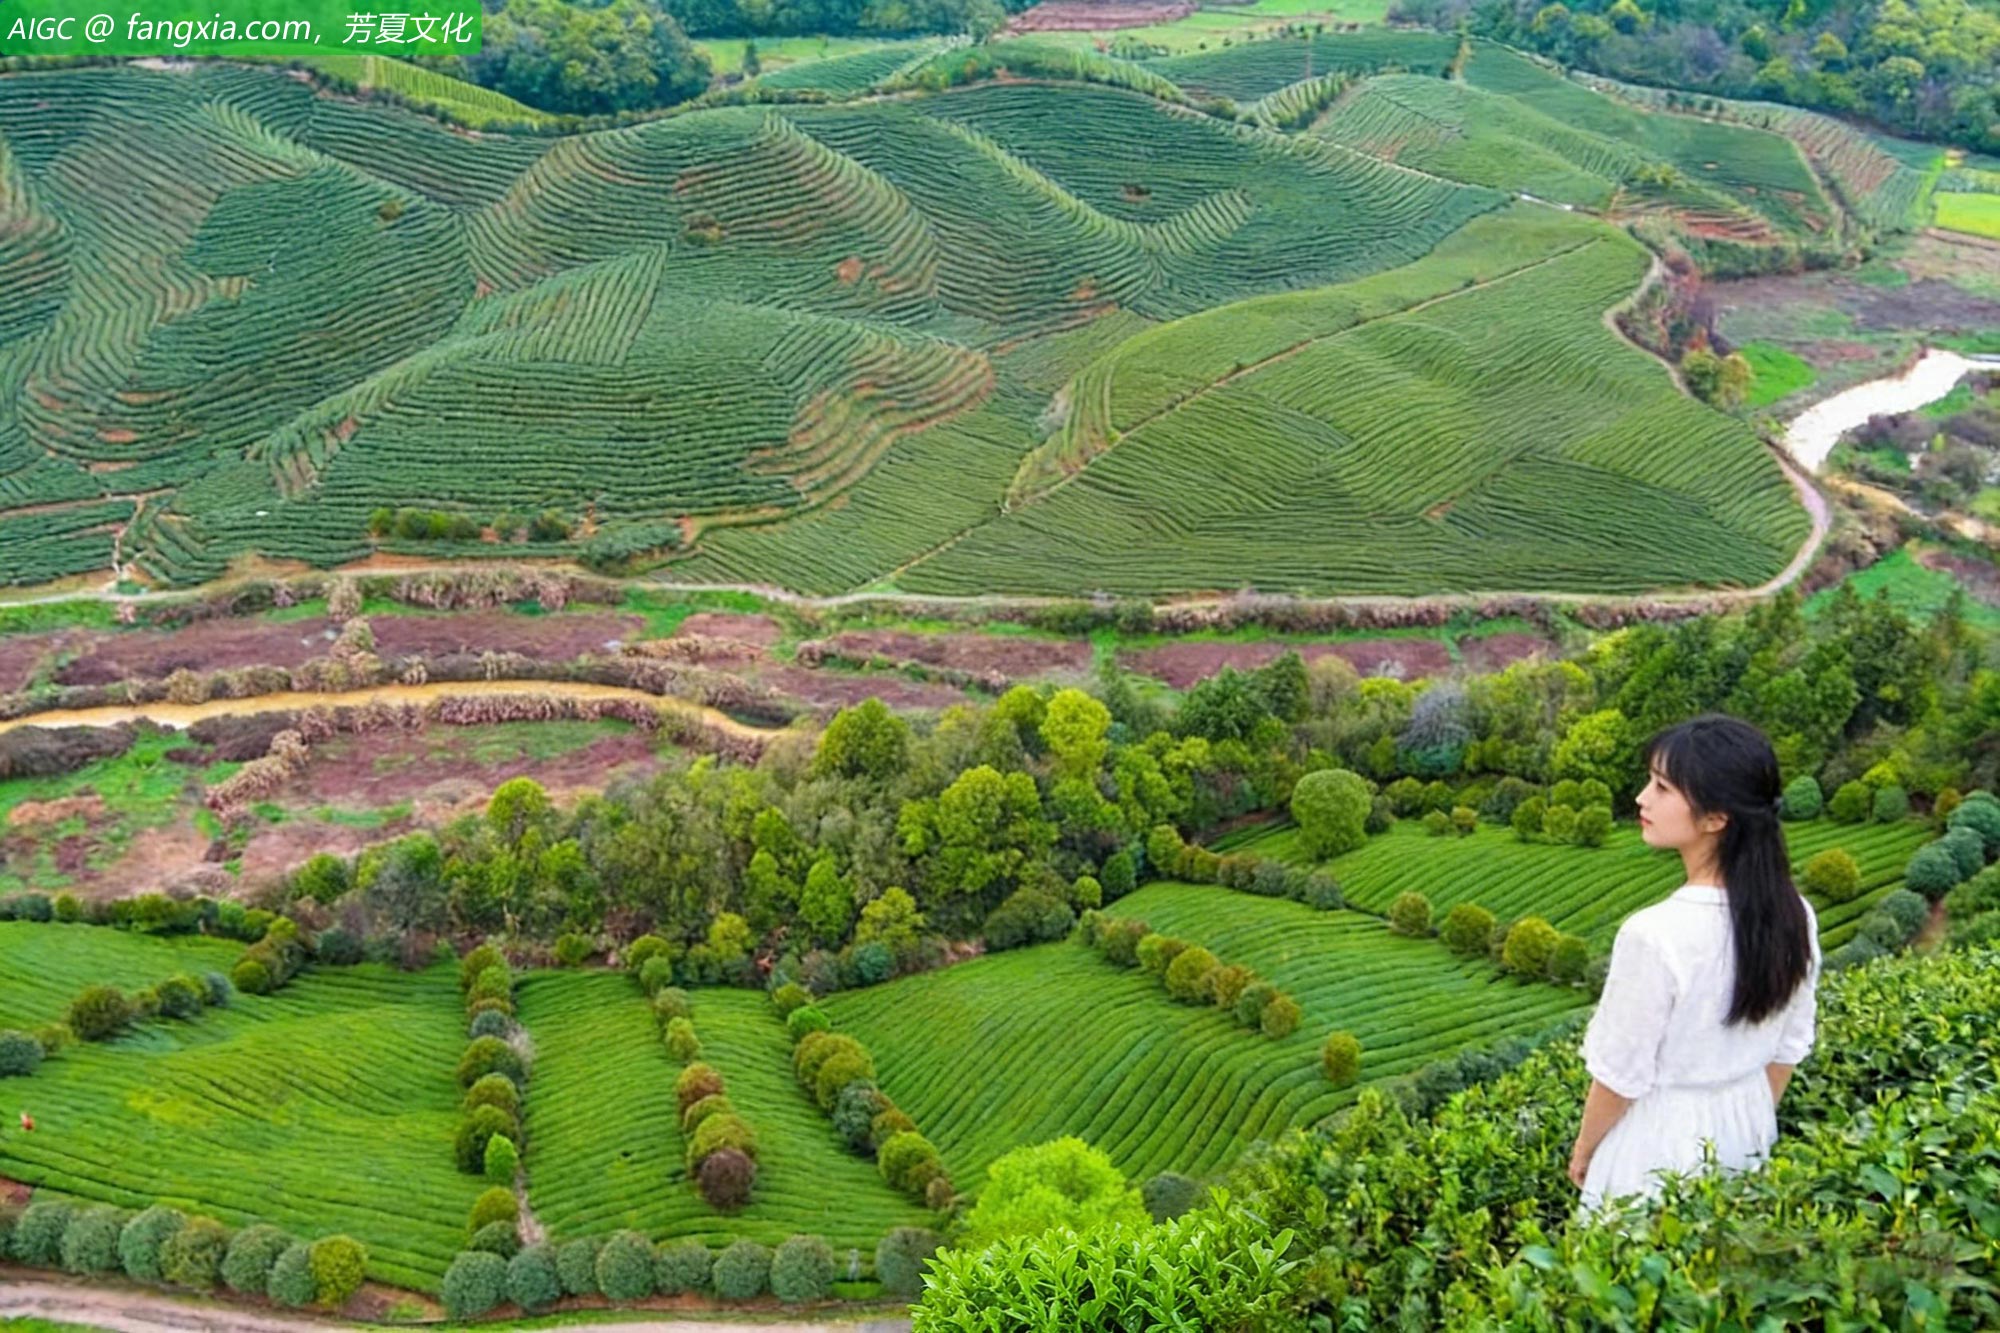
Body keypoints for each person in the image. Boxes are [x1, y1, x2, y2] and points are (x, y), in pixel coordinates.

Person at [1567, 713, 1820, 1220]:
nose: (1642, 798)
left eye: (1662, 787)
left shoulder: (1654, 934)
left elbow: (1619, 1076)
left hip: (1658, 1142)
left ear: (1715, 817)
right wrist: (1744, 1114)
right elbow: (1789, 1048)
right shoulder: (1794, 912)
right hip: (1747, 1125)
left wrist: (1586, 1151)